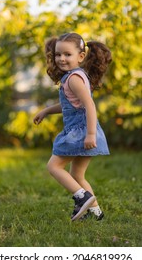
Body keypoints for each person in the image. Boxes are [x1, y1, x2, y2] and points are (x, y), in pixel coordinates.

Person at [33, 33, 112, 221]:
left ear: (81, 56)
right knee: (77, 175)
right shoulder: (76, 76)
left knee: (54, 166)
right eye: (58, 54)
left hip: (81, 132)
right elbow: (70, 104)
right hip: (83, 131)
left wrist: (90, 134)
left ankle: (82, 197)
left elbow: (90, 106)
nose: (61, 59)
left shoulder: (73, 79)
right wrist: (46, 111)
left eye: (67, 54)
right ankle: (95, 212)